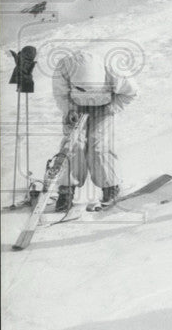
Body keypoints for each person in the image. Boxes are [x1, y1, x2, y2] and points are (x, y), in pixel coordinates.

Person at [52, 47, 138, 210]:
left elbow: (130, 93)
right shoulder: (64, 67)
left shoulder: (114, 68)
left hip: (104, 108)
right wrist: (69, 109)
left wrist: (111, 108)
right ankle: (66, 191)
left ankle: (111, 187)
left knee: (99, 146)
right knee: (73, 145)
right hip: (76, 108)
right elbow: (61, 94)